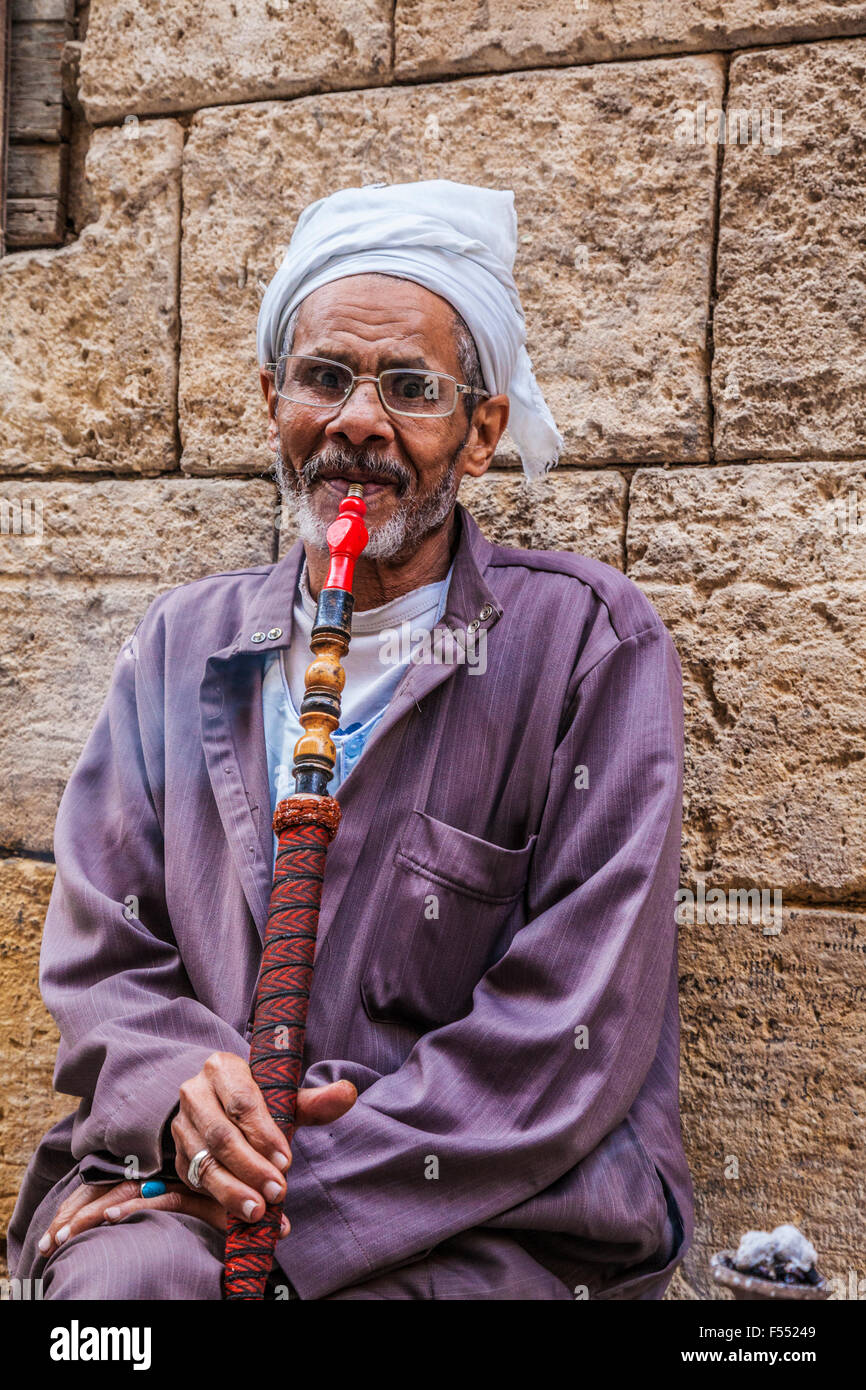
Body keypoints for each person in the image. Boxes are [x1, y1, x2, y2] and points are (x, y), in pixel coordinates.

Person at [9, 179, 693, 1300]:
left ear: (478, 433)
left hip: (484, 1207)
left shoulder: (588, 646)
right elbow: (103, 957)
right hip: (182, 1178)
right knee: (114, 1305)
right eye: (325, 378)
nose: (357, 422)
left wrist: (279, 1196)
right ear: (274, 397)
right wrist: (184, 1091)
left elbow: (572, 1021)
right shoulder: (183, 644)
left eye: (409, 390)